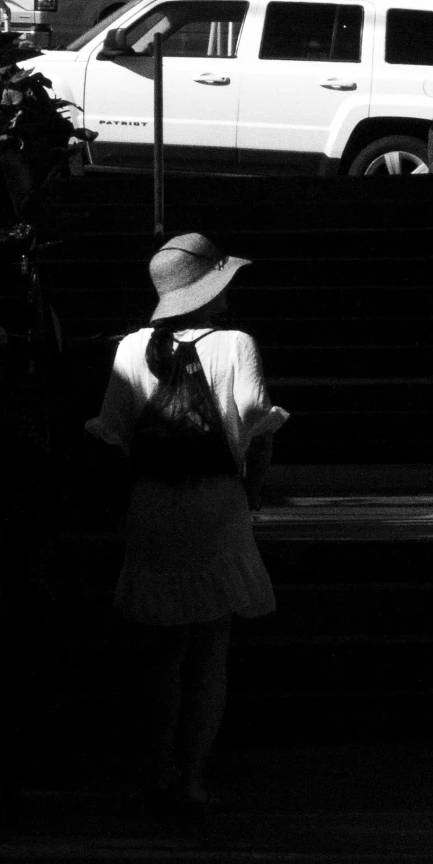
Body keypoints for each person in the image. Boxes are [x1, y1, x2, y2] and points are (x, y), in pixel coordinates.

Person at [86, 231, 288, 810]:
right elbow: (256, 427)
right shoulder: (237, 345)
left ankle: (159, 768)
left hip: (153, 505)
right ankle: (196, 778)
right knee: (211, 649)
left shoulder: (130, 350)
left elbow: (114, 436)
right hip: (217, 505)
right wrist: (252, 494)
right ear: (208, 289)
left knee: (162, 652)